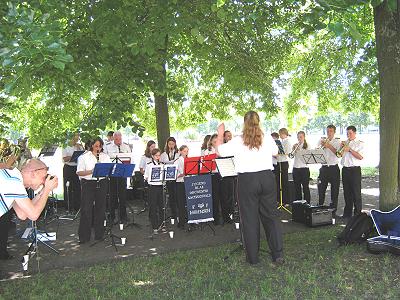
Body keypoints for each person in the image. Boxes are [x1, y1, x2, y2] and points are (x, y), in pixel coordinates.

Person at [216, 111, 283, 265]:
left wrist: (220, 134)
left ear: (244, 123)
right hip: (266, 178)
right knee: (271, 217)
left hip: (247, 180)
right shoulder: (267, 138)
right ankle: (278, 254)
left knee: (249, 219)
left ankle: (253, 258)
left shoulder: (238, 141)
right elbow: (276, 153)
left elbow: (219, 152)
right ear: (258, 122)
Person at [0, 159, 58, 259]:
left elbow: (22, 214)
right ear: (33, 173)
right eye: (43, 177)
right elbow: (33, 214)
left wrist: (44, 190)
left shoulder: (14, 179)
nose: (44, 181)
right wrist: (47, 190)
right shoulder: (13, 181)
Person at [76, 137, 111, 244]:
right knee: (86, 209)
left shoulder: (105, 156)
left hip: (101, 182)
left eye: (100, 146)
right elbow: (79, 172)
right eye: (96, 146)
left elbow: (109, 169)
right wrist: (92, 171)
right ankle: (84, 237)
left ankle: (99, 234)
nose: (98, 148)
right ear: (92, 146)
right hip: (88, 183)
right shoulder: (84, 157)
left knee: (100, 209)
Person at [104, 131, 132, 223]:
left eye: (120, 139)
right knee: (112, 195)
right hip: (112, 173)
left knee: (123, 195)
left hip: (122, 173)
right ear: (113, 138)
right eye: (116, 139)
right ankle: (112, 216)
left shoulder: (126, 146)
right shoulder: (107, 146)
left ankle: (123, 216)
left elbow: (129, 158)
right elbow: (104, 159)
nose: (118, 141)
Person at [340, 126, 364, 218]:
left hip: (355, 170)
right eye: (347, 133)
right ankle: (347, 213)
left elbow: (360, 157)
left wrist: (349, 149)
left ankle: (358, 214)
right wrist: (342, 148)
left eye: (350, 133)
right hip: (345, 169)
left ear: (355, 133)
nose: (348, 135)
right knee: (347, 192)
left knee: (356, 192)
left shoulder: (359, 143)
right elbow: (340, 154)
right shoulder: (345, 142)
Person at [318, 125, 341, 215]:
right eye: (327, 131)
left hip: (333, 168)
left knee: (334, 191)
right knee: (321, 189)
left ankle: (333, 211)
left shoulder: (337, 141)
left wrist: (329, 146)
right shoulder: (322, 140)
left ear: (334, 132)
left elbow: (338, 154)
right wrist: (321, 146)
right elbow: (317, 151)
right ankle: (320, 207)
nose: (329, 133)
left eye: (331, 131)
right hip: (324, 168)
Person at [62, 133, 84, 211]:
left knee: (77, 187)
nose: (77, 138)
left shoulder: (79, 146)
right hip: (68, 168)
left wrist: (79, 149)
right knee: (68, 187)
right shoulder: (65, 145)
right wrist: (73, 156)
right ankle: (68, 206)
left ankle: (77, 206)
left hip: (77, 167)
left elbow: (83, 155)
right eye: (76, 137)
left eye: (78, 137)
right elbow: (64, 158)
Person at [144, 148, 164, 234]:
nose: (158, 157)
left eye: (159, 155)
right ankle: (154, 226)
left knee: (161, 206)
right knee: (153, 206)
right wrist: (150, 177)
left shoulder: (162, 164)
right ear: (152, 156)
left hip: (160, 186)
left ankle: (161, 224)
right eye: (156, 155)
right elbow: (145, 176)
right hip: (152, 187)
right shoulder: (149, 165)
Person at [204, 134, 222, 225]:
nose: (216, 143)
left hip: (222, 174)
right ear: (211, 142)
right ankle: (216, 218)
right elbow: (205, 164)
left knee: (223, 196)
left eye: (217, 141)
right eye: (214, 142)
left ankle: (226, 216)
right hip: (213, 175)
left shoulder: (221, 149)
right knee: (215, 197)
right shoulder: (207, 151)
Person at [160, 137, 180, 220]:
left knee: (178, 195)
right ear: (167, 145)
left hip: (177, 177)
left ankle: (179, 213)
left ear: (175, 144)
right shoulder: (164, 154)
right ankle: (174, 214)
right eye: (169, 144)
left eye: (173, 144)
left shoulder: (178, 154)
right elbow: (161, 164)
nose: (171, 145)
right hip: (169, 178)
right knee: (172, 196)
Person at [291, 131, 311, 203]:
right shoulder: (295, 145)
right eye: (298, 137)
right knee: (297, 188)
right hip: (296, 168)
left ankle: (307, 204)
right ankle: (299, 205)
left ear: (304, 137)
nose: (299, 139)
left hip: (304, 169)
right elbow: (291, 156)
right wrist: (293, 149)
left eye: (301, 137)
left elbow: (307, 157)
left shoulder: (307, 145)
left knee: (305, 188)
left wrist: (299, 151)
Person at [220, 130, 235, 224]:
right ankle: (225, 216)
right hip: (224, 174)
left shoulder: (234, 146)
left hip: (232, 173)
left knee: (231, 195)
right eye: (228, 136)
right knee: (225, 196)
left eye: (231, 136)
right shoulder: (222, 147)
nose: (230, 137)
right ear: (224, 137)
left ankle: (231, 213)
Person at [276, 128, 292, 204]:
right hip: (279, 162)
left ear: (284, 133)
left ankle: (286, 200)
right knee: (279, 182)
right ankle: (280, 200)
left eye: (280, 134)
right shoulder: (282, 141)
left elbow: (288, 153)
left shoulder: (287, 141)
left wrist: (280, 152)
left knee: (284, 182)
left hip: (284, 162)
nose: (280, 135)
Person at [176, 145, 189, 229]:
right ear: (180, 151)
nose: (186, 153)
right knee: (181, 203)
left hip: (187, 182)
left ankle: (189, 220)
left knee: (188, 202)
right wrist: (183, 173)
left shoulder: (189, 160)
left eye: (187, 151)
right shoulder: (177, 161)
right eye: (184, 151)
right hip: (180, 183)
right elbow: (176, 175)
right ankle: (181, 222)